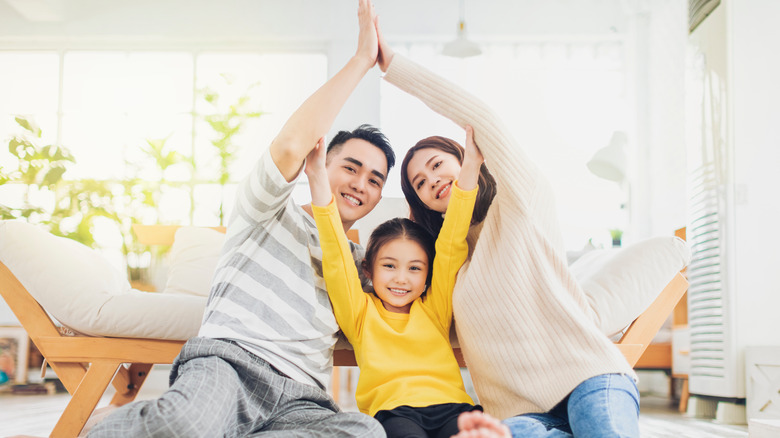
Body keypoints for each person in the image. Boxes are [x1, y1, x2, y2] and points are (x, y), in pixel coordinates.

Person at [88, 1, 392, 436]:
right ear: (321, 163)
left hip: (303, 399)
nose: (361, 183)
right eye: (351, 167)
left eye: (375, 180)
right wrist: (363, 60)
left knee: (367, 432)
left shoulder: (361, 263)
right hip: (228, 366)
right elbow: (290, 145)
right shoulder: (267, 210)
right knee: (183, 424)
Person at [375, 19, 641, 438]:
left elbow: (482, 117)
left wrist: (395, 67)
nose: (432, 181)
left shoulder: (520, 199)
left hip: (588, 373)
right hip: (518, 413)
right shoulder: (448, 262)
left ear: (467, 157)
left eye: (437, 165)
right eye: (421, 184)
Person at [305, 125, 509, 438]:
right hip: (395, 413)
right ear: (368, 272)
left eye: (415, 269)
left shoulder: (434, 308)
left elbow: (452, 241)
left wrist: (470, 166)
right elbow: (334, 255)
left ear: (428, 277)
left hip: (456, 409)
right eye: (389, 266)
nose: (402, 278)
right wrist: (318, 178)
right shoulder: (359, 312)